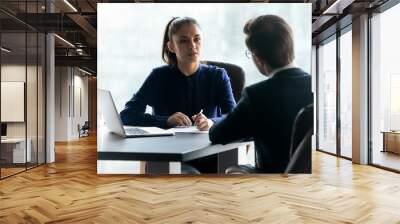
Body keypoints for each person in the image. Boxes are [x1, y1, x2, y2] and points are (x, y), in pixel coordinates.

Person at [209, 15, 313, 173]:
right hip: (311, 182)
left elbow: (217, 134)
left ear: (257, 58)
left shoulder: (256, 95)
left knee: (232, 171)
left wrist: (212, 123)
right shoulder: (314, 86)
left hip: (271, 183)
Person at [120, 17, 236, 131]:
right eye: (184, 41)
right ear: (171, 46)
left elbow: (234, 117)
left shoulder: (218, 76)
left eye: (197, 39)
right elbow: (127, 115)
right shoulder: (158, 76)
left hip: (207, 146)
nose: (192, 46)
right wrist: (166, 120)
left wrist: (212, 122)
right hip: (167, 147)